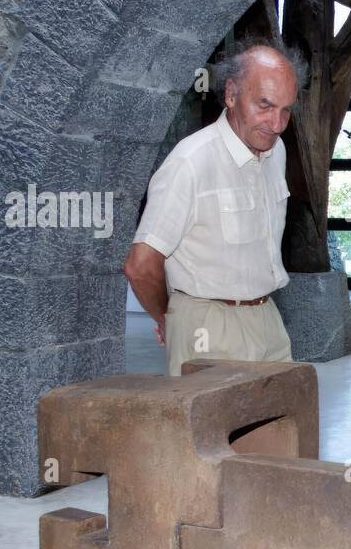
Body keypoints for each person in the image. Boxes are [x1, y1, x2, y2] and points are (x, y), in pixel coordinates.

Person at [124, 39, 305, 376]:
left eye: (286, 109)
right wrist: (170, 320)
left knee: (282, 422)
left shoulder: (274, 151)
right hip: (207, 325)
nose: (277, 123)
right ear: (232, 94)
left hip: (268, 319)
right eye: (264, 105)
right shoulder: (190, 162)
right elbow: (141, 265)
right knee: (211, 428)